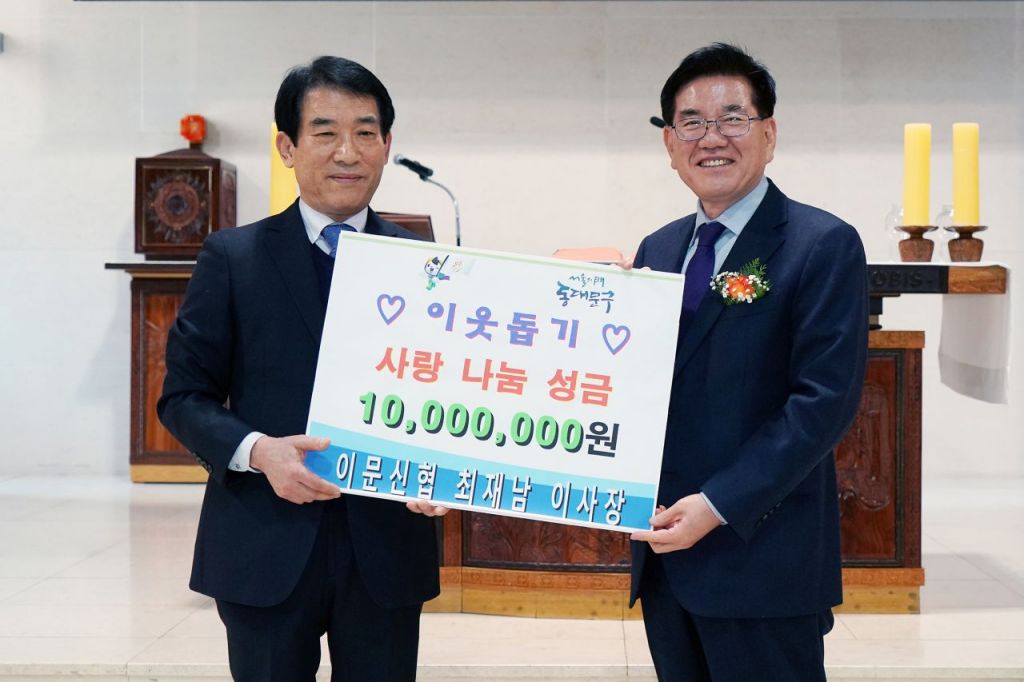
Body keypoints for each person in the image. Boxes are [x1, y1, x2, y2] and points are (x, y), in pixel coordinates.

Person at [158, 56, 448, 682]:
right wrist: (259, 452)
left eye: (365, 133)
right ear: (287, 147)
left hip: (386, 548)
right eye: (325, 132)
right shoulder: (233, 258)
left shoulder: (427, 266)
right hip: (264, 539)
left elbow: (451, 395)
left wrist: (448, 469)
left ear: (386, 145)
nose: (348, 152)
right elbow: (183, 397)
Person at [626, 43, 868, 681]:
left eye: (733, 118)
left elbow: (823, 404)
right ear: (670, 143)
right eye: (692, 122)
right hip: (665, 552)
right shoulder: (657, 249)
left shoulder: (822, 244)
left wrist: (717, 503)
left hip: (761, 553)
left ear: (769, 134)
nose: (712, 138)